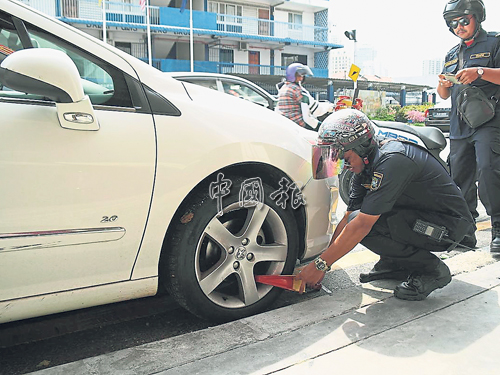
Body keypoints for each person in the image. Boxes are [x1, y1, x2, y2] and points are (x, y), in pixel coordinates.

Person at [298, 109, 475, 300]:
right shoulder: (365, 166)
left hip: (447, 228)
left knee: (365, 225)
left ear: (362, 147)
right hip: (423, 218)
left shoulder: (393, 161)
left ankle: (432, 271)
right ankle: (397, 263)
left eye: (344, 158)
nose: (343, 165)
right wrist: (324, 263)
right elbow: (348, 218)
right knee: (359, 220)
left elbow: (361, 224)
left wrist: (319, 265)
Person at [438, 0, 500, 253]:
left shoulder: (495, 42)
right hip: (459, 123)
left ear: (478, 18)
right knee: (459, 179)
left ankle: (498, 229)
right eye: (453, 23)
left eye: (464, 20)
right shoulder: (452, 53)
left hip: (489, 121)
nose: (459, 27)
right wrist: (444, 83)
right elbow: (442, 94)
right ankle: (465, 232)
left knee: (488, 171)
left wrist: (481, 72)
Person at [276, 63, 333, 130]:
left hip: (286, 123)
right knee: (325, 130)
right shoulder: (297, 90)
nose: (301, 78)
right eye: (299, 76)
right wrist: (330, 108)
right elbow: (316, 110)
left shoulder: (284, 88)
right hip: (298, 124)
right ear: (292, 75)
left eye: (302, 76)